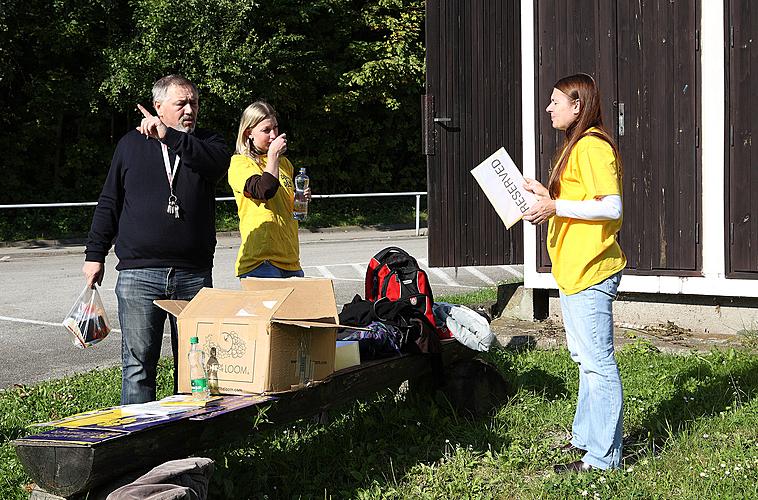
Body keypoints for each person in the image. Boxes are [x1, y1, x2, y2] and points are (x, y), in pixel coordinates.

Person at [82, 74, 230, 404]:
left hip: (192, 275)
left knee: (195, 367)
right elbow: (110, 201)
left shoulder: (209, 143)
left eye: (194, 103)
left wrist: (169, 136)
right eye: (181, 104)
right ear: (158, 106)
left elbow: (214, 165)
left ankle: (187, 443)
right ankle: (138, 445)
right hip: (139, 274)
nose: (190, 109)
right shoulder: (130, 145)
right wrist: (95, 254)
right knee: (137, 367)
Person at [523, 73, 626, 472]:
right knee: (585, 360)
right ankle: (585, 441)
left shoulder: (592, 146)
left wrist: (556, 208)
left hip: (591, 271)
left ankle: (602, 460)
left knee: (598, 364)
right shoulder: (575, 147)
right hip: (574, 270)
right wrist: (549, 198)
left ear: (577, 106)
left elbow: (612, 208)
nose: (549, 109)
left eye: (555, 102)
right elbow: (581, 202)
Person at [227, 100, 309, 278]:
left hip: (290, 259)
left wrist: (300, 198)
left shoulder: (285, 164)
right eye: (266, 130)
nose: (273, 135)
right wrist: (273, 155)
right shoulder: (240, 163)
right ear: (249, 133)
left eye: (275, 128)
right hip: (261, 262)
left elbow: (284, 206)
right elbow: (264, 191)